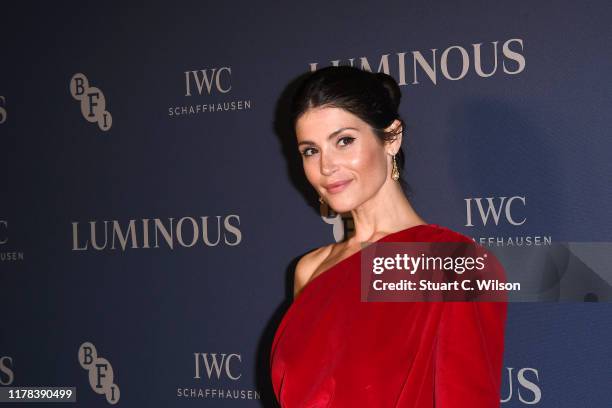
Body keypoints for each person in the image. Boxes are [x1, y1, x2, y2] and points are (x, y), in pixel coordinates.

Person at [269, 65, 508, 407]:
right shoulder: (309, 270)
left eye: (344, 141)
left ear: (392, 138)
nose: (326, 166)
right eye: (311, 150)